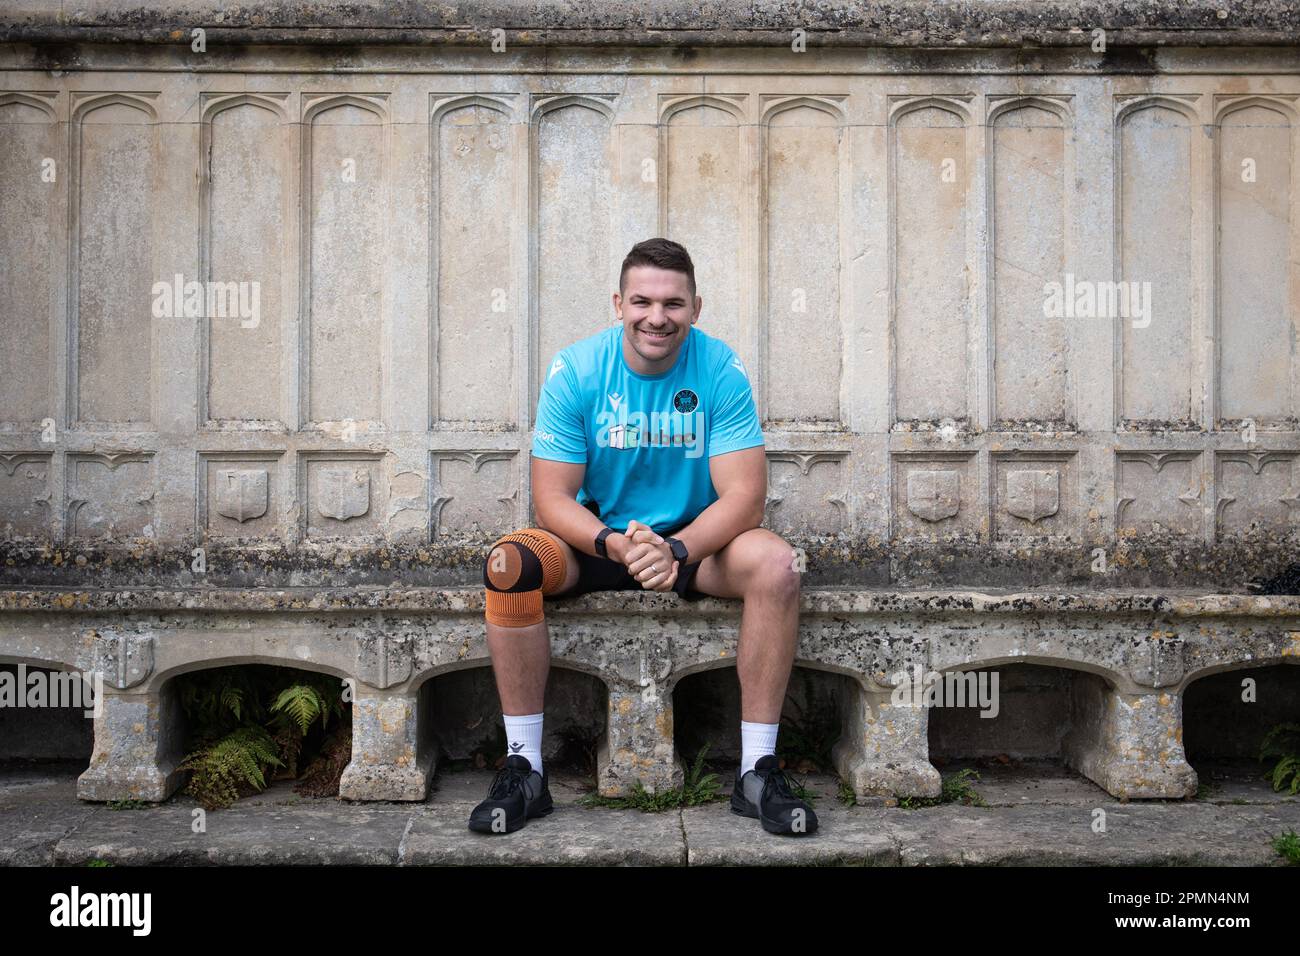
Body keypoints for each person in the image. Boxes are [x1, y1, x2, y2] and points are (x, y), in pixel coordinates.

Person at [469, 237, 816, 836]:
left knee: (779, 566)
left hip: (693, 546)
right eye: (643, 301)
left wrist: (677, 549)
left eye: (673, 303)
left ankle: (758, 770)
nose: (657, 316)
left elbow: (744, 496)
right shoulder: (576, 369)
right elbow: (551, 497)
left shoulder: (719, 369)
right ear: (619, 303)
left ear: (695, 308)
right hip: (597, 541)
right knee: (508, 566)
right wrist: (616, 544)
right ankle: (525, 767)